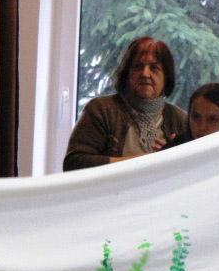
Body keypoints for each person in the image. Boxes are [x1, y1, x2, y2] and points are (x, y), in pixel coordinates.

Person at [63, 36, 187, 171]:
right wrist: (142, 162)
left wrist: (174, 157)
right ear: (127, 74)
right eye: (138, 66)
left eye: (154, 68)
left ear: (166, 77)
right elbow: (73, 163)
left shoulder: (180, 120)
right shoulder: (101, 110)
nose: (145, 73)